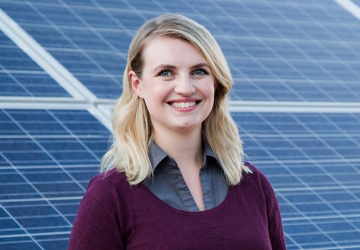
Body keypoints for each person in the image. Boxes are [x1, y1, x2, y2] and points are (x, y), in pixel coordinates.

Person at [68, 14, 286, 250]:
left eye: (199, 71)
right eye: (166, 73)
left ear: (215, 82)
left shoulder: (254, 186)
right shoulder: (110, 196)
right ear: (137, 84)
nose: (185, 88)